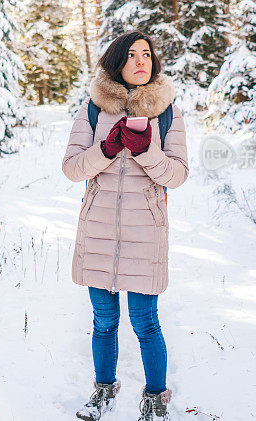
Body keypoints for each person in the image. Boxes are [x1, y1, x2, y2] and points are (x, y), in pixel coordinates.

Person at [62, 30, 189, 421]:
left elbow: (178, 174)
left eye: (146, 54)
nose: (140, 61)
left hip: (144, 234)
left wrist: (145, 152)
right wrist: (107, 149)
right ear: (116, 62)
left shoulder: (167, 112)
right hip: (98, 231)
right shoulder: (92, 111)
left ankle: (154, 399)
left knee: (145, 321)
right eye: (131, 55)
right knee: (103, 322)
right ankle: (103, 391)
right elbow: (71, 168)